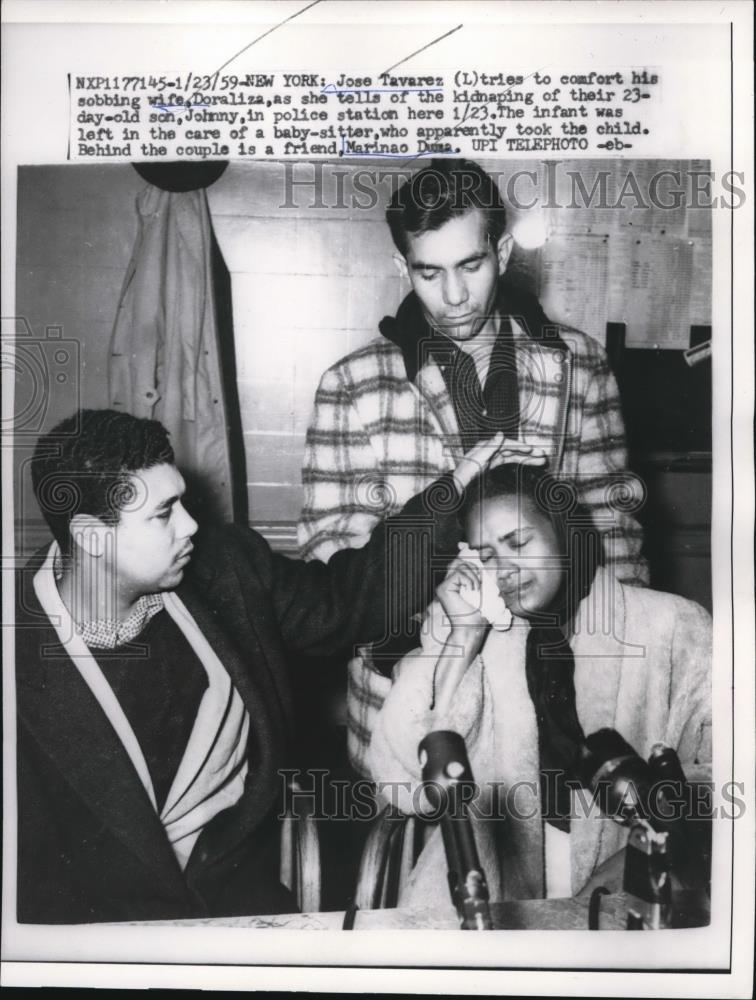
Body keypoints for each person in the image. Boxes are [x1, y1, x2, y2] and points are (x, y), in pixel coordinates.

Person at [14, 408, 504, 924]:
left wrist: (457, 485)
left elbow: (347, 599)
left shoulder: (226, 567)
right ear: (91, 535)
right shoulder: (17, 659)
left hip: (239, 901)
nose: (191, 525)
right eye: (163, 514)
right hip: (98, 935)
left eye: (180, 500)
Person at [297, 158, 648, 773]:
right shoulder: (351, 386)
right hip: (410, 696)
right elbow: (333, 571)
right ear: (401, 266)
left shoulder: (580, 365)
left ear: (504, 251)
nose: (454, 296)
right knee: (426, 862)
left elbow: (615, 536)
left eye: (471, 265)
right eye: (428, 272)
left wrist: (621, 677)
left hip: (560, 686)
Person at [367, 464, 711, 910]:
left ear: (564, 532)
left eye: (519, 542)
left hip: (635, 874)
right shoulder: (473, 632)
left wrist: (614, 880)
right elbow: (406, 780)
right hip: (490, 891)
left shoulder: (673, 626)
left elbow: (714, 788)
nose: (505, 569)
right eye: (486, 555)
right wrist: (465, 637)